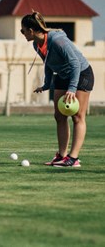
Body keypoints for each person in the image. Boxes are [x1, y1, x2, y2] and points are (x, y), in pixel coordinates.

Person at [21, 11, 94, 167]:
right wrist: (47, 84)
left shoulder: (58, 41)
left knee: (77, 117)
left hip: (81, 74)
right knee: (59, 116)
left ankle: (73, 159)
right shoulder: (36, 44)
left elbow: (75, 64)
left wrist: (72, 88)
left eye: (23, 31)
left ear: (31, 31)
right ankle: (62, 155)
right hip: (62, 75)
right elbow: (48, 64)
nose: (23, 34)